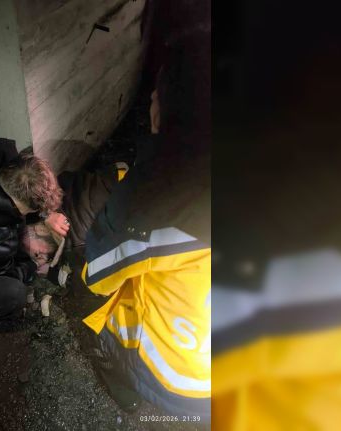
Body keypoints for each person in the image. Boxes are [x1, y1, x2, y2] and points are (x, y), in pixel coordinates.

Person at [80, 30, 211, 423]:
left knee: (95, 305)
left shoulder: (154, 202)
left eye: (155, 95)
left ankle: (125, 388)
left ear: (162, 115)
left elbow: (98, 277)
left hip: (185, 380)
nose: (151, 99)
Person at [0, 141, 69, 323]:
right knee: (14, 294)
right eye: (42, 252)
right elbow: (5, 276)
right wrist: (31, 265)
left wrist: (46, 214)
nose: (42, 253)